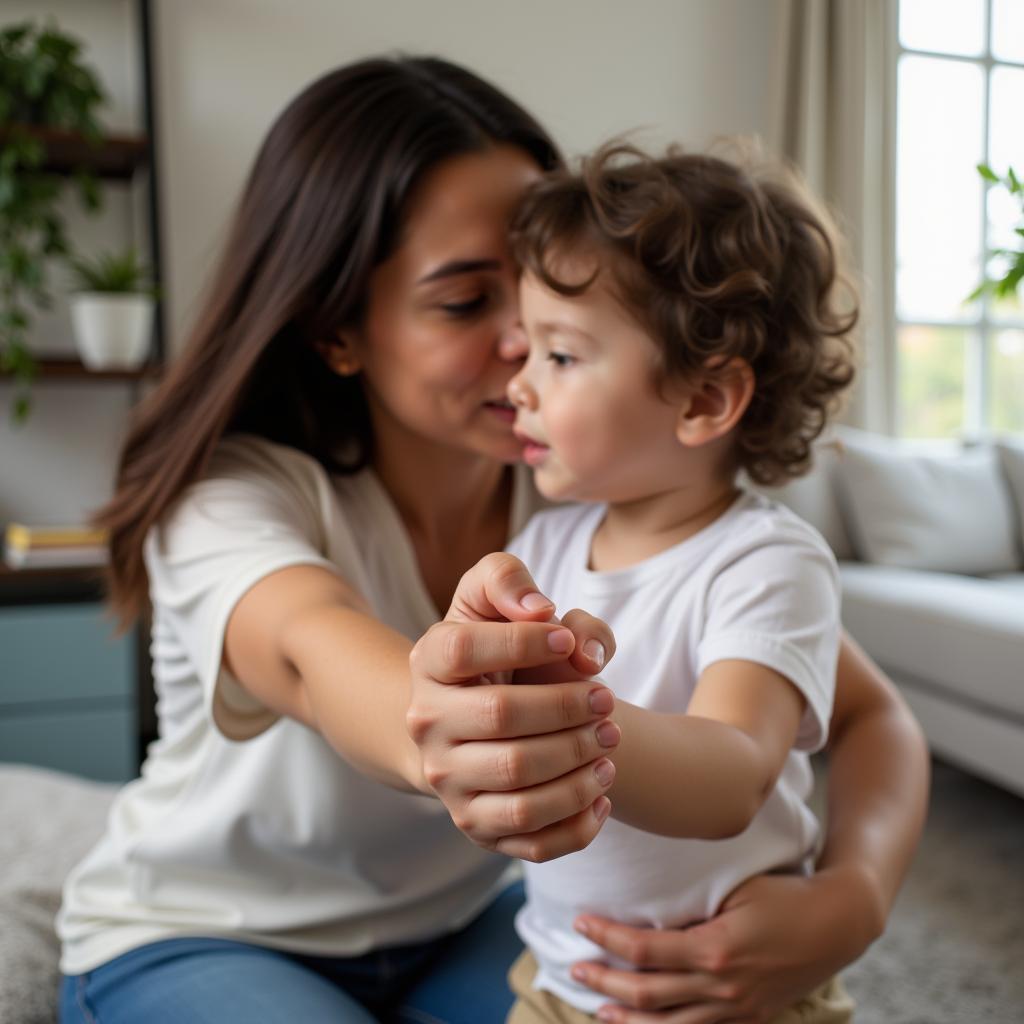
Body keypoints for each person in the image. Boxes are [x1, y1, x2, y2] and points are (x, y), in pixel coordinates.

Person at [57, 56, 928, 1024]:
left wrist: (850, 900)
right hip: (210, 929)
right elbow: (316, 658)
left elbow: (866, 716)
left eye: (545, 300)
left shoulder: (595, 493)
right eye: (469, 302)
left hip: (471, 927)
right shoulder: (231, 500)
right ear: (337, 328)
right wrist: (482, 719)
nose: (526, 346)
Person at [496, 141, 859, 1024]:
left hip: (731, 996)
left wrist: (571, 715)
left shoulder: (767, 563)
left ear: (703, 401)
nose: (519, 384)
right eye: (528, 347)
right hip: (554, 983)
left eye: (562, 356)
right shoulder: (547, 539)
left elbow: (733, 773)